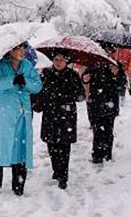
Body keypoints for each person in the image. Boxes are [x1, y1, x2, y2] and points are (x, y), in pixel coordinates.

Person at [0, 42, 43, 196]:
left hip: (22, 111)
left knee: (20, 147)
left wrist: (25, 81)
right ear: (10, 49)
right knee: (1, 145)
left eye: (23, 48)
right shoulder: (0, 65)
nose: (22, 51)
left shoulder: (27, 66)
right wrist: (12, 80)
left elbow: (38, 85)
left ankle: (18, 185)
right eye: (19, 48)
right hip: (4, 112)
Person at [33, 52, 85, 190]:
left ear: (66, 61)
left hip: (66, 115)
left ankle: (63, 175)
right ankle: (56, 170)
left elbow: (80, 95)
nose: (58, 62)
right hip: (50, 114)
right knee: (51, 145)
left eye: (61, 59)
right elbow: (37, 91)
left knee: (64, 146)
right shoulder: (46, 73)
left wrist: (66, 96)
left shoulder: (72, 75)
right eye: (56, 59)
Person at [81, 46, 127, 164]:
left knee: (108, 130)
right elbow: (84, 77)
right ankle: (97, 155)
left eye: (110, 51)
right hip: (96, 103)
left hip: (110, 104)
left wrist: (116, 74)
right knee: (97, 130)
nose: (108, 53)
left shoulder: (116, 65)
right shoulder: (94, 65)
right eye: (105, 51)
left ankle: (107, 154)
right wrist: (85, 79)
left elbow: (123, 84)